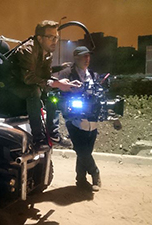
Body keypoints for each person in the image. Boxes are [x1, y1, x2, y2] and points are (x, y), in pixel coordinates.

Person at [6, 20, 79, 150]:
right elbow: (28, 78)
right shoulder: (28, 50)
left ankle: (53, 133)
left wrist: (61, 83)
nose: (55, 41)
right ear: (39, 38)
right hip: (12, 85)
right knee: (34, 91)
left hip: (27, 83)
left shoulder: (47, 53)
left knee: (53, 91)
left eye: (56, 37)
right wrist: (55, 83)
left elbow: (45, 77)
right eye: (50, 37)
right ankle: (38, 138)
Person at [59, 46, 102, 191]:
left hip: (92, 121)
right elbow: (58, 91)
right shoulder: (66, 74)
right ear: (76, 58)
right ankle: (95, 173)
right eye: (84, 57)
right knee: (81, 150)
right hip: (74, 120)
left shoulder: (93, 76)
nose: (87, 59)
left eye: (88, 56)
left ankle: (81, 179)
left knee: (85, 152)